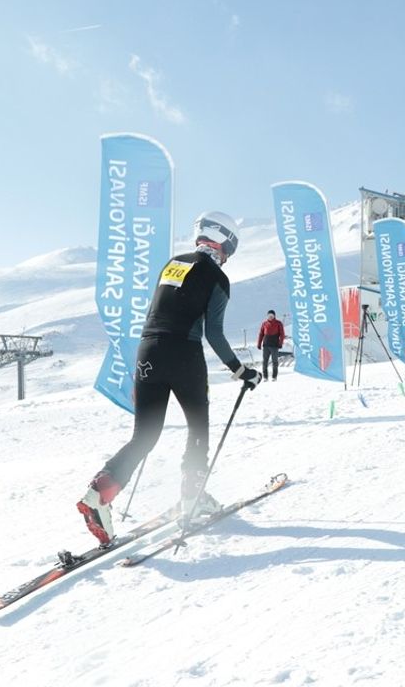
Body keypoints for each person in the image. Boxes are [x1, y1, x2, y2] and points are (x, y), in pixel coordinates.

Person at [76, 212, 262, 547]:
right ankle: (193, 498)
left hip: (148, 352)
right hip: (183, 354)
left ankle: (98, 494)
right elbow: (214, 334)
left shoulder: (172, 264)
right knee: (197, 429)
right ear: (225, 243)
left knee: (145, 435)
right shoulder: (218, 278)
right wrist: (241, 371)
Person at [256, 310, 286, 382]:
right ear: (267, 316)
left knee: (275, 361)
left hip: (274, 346)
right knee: (265, 362)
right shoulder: (264, 324)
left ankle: (274, 377)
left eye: (272, 315)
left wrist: (280, 343)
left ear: (274, 316)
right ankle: (265, 377)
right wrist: (259, 343)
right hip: (266, 345)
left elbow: (282, 334)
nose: (270, 317)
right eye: (269, 315)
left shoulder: (278, 323)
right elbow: (261, 334)